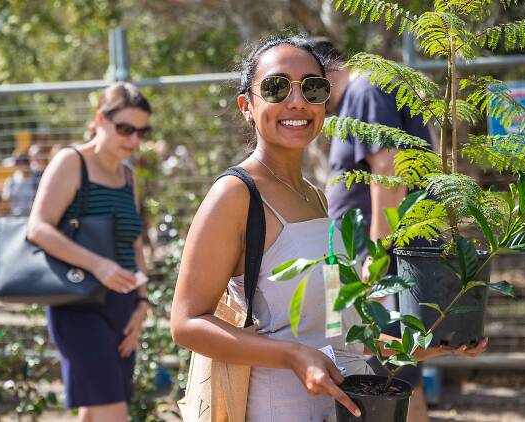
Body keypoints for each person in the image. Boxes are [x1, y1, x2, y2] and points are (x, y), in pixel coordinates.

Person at [170, 35, 485, 422]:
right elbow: (186, 324)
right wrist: (292, 355)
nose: (297, 100)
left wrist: (427, 343)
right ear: (247, 106)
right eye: (276, 87)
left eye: (313, 87)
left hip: (345, 408)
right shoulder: (236, 195)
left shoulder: (317, 199)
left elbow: (341, 333)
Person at [314, 37, 441, 422]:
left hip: (377, 261)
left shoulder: (366, 88)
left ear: (326, 70)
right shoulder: (360, 96)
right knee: (381, 370)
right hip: (365, 255)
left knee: (390, 371)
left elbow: (388, 171)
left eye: (310, 85)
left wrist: (377, 252)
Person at [27, 82, 152, 421]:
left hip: (123, 306)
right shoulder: (71, 162)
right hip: (79, 304)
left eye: (142, 131)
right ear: (100, 119)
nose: (133, 139)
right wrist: (98, 265)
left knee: (95, 413)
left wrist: (142, 303)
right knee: (114, 413)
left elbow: (134, 244)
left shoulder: (128, 176)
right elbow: (37, 228)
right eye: (125, 128)